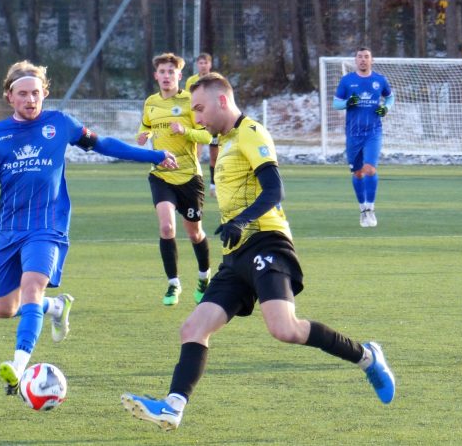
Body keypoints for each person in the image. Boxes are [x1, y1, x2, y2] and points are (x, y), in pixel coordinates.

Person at [121, 73, 395, 431]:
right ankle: (173, 407)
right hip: (236, 254)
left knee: (284, 329)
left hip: (267, 240)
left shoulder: (251, 133)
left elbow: (274, 191)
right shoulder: (224, 142)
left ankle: (367, 356)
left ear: (222, 100)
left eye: (200, 109)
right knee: (193, 327)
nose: (197, 119)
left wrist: (242, 219)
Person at [0, 60, 177, 396]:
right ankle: (55, 307)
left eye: (36, 93)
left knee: (31, 289)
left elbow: (104, 144)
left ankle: (18, 367)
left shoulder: (60, 124)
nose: (30, 100)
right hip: (10, 230)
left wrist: (154, 155)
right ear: (9, 96)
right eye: (23, 94)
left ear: (45, 94)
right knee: (4, 309)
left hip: (47, 226)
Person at [137, 52, 214, 307]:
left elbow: (206, 136)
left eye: (171, 72)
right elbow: (146, 126)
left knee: (194, 232)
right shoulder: (150, 103)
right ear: (155, 75)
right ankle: (173, 284)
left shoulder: (190, 100)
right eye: (162, 72)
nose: (167, 76)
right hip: (161, 174)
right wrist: (143, 136)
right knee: (167, 227)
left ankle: (204, 277)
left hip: (189, 176)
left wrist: (186, 131)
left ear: (179, 76)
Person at [332, 47, 394, 228]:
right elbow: (336, 103)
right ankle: (362, 210)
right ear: (355, 60)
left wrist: (386, 109)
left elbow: (390, 98)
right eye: (359, 57)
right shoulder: (347, 81)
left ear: (371, 60)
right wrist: (347, 103)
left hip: (373, 132)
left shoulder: (379, 80)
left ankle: (371, 208)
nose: (363, 60)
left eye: (366, 57)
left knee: (369, 169)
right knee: (357, 173)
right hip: (353, 133)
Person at [184, 52, 219, 198]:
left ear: (210, 64)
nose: (203, 65)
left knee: (214, 156)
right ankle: (194, 184)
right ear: (197, 65)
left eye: (205, 63)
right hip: (198, 121)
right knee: (196, 154)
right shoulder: (191, 81)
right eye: (200, 63)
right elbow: (187, 101)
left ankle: (214, 184)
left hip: (213, 122)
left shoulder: (216, 80)